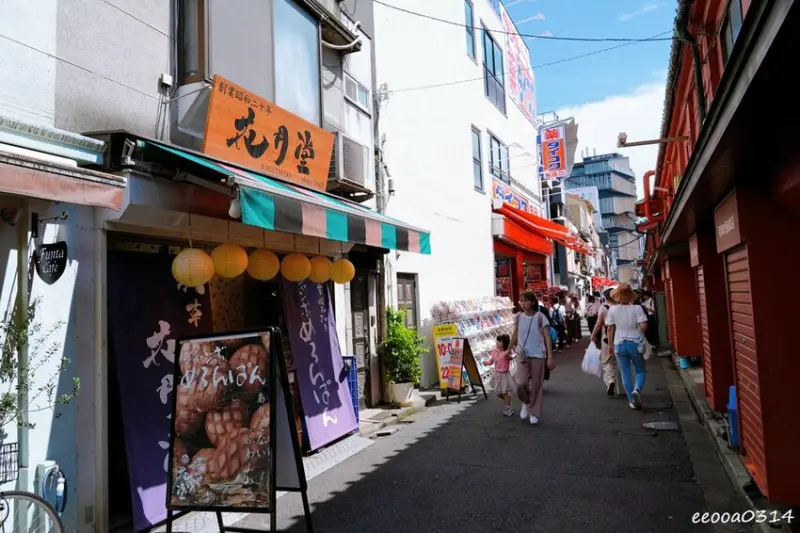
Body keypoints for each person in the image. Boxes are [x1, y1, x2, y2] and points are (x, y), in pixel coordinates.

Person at [509, 290, 555, 425]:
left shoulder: (541, 317)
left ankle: (534, 412)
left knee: (536, 384)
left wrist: (550, 356)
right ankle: (526, 401)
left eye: (526, 300)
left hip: (538, 355)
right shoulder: (517, 317)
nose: (523, 303)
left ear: (533, 302)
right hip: (522, 354)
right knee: (520, 382)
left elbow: (547, 337)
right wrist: (508, 350)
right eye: (521, 301)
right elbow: (515, 334)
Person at [606, 283, 649, 410]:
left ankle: (632, 401)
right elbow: (644, 326)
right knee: (640, 370)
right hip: (635, 343)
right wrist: (639, 328)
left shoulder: (612, 309)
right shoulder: (637, 308)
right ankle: (637, 390)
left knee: (625, 373)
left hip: (619, 344)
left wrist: (610, 345)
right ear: (630, 295)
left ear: (617, 296)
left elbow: (609, 328)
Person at [591, 288, 622, 397]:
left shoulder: (603, 308)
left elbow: (598, 324)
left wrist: (593, 334)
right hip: (620, 336)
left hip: (607, 337)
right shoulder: (620, 306)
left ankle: (610, 381)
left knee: (606, 361)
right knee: (618, 362)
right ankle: (620, 387)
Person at [485, 334, 515, 417]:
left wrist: (508, 354)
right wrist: (486, 363)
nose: (497, 343)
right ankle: (508, 402)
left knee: (504, 392)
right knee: (498, 393)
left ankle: (508, 408)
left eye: (499, 341)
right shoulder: (495, 351)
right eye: (497, 341)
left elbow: (511, 358)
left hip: (504, 374)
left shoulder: (506, 352)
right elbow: (491, 361)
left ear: (505, 343)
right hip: (497, 374)